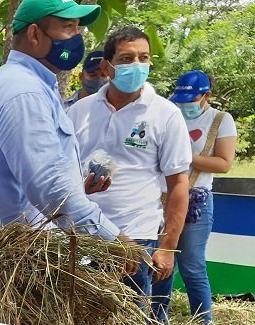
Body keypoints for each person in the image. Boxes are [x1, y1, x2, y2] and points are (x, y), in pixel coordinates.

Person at [0, 0, 125, 241]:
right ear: (34, 33)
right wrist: (111, 239)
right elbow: (47, 184)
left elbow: (35, 173)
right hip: (19, 255)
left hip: (27, 248)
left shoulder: (34, 86)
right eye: (68, 27)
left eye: (78, 28)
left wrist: (78, 185)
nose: (77, 37)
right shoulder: (24, 92)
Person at [67, 26, 192, 306]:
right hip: (83, 235)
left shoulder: (165, 114)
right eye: (126, 59)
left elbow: (178, 184)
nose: (136, 65)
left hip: (135, 240)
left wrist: (167, 247)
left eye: (143, 58)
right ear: (106, 67)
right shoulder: (79, 112)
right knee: (77, 322)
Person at [151, 70, 237, 324]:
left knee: (192, 266)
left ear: (206, 96)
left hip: (196, 200)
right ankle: (156, 322)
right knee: (161, 263)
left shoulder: (220, 120)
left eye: (191, 100)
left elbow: (224, 163)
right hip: (161, 198)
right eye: (181, 99)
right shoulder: (169, 114)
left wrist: (183, 155)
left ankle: (203, 324)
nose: (184, 105)